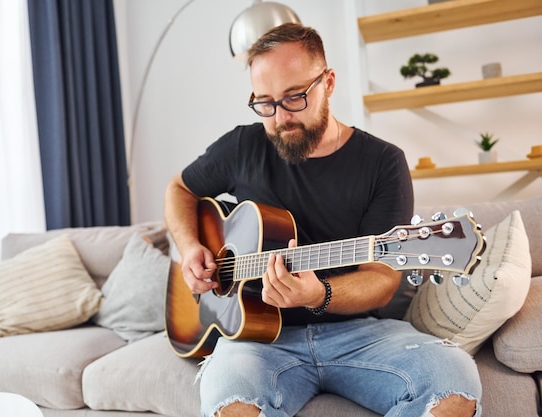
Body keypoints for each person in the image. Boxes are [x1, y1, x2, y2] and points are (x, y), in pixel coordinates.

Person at [164, 23, 481, 417]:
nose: (279, 117)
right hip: (258, 342)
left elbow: (382, 278)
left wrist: (318, 295)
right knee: (230, 404)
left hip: (362, 334)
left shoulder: (382, 163)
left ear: (328, 82)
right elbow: (179, 189)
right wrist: (190, 246)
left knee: (454, 385)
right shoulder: (242, 146)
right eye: (265, 102)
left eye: (294, 97)